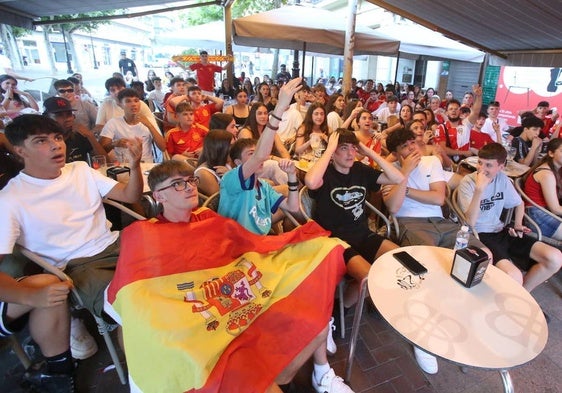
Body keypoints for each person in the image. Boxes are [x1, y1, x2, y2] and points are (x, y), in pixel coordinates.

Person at [104, 158, 353, 393]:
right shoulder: (145, 235)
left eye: (191, 181)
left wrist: (290, 244)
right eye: (178, 184)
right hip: (198, 317)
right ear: (158, 196)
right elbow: (135, 293)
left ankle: (304, 374)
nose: (189, 187)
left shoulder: (208, 219)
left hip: (236, 295)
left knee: (313, 314)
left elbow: (248, 247)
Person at [0, 114, 143, 363]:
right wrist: (30, 296)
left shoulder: (80, 170)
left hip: (120, 243)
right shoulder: (10, 199)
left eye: (57, 137)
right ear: (20, 150)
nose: (56, 145)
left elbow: (130, 196)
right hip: (80, 266)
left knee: (175, 273)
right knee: (135, 308)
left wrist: (135, 166)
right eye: (41, 141)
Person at [382, 127, 489, 374]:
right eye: (405, 148)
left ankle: (465, 321)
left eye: (413, 143)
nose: (413, 149)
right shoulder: (391, 172)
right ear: (397, 154)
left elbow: (438, 199)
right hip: (411, 224)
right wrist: (404, 174)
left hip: (442, 223)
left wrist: (405, 188)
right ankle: (423, 337)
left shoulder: (431, 161)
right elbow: (394, 207)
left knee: (482, 258)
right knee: (428, 269)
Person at [457, 143, 561, 293]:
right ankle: (515, 299)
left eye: (488, 165)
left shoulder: (502, 179)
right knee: (514, 275)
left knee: (555, 257)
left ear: (501, 167)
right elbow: (470, 222)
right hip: (479, 235)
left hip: (500, 230)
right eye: (480, 163)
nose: (481, 169)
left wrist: (518, 224)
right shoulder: (468, 182)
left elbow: (519, 203)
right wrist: (479, 190)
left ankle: (522, 296)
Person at [100, 88, 165, 163]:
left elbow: (163, 147)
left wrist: (149, 125)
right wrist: (114, 144)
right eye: (128, 101)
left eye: (136, 101)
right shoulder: (113, 123)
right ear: (120, 104)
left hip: (146, 165)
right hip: (124, 166)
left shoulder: (148, 121)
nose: (133, 104)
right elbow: (101, 150)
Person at [43, 96, 106, 163]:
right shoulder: (41, 142)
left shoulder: (79, 136)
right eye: (59, 115)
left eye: (69, 114)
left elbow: (104, 162)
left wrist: (90, 136)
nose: (67, 119)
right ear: (46, 118)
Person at [523, 138, 562, 240]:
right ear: (551, 153)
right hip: (539, 217)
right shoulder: (546, 174)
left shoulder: (556, 170)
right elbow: (555, 209)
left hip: (544, 213)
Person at [434, 85, 482, 163]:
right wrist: (464, 153)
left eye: (456, 109)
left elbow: (476, 112)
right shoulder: (441, 128)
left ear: (460, 111)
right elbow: (443, 149)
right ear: (446, 112)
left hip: (466, 163)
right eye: (451, 109)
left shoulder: (466, 123)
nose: (453, 111)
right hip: (449, 164)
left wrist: (479, 96)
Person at [95, 77, 159, 135]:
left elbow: (154, 128)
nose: (117, 92)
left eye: (119, 88)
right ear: (109, 93)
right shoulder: (106, 104)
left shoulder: (139, 104)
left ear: (125, 88)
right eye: (112, 90)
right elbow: (98, 128)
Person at [194, 129, 233, 196]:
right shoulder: (203, 173)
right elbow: (219, 200)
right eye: (231, 145)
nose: (235, 149)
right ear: (220, 148)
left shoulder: (227, 162)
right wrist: (230, 177)